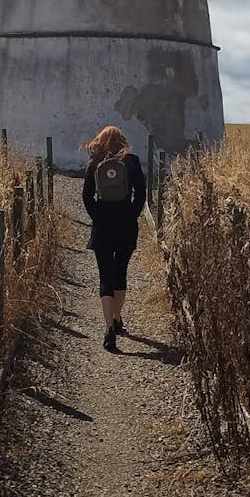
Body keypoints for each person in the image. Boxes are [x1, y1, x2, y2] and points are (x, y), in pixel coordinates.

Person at [81, 125, 146, 352]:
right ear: (123, 141)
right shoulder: (133, 161)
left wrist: (98, 216)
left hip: (103, 226)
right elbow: (142, 195)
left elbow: (87, 196)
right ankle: (118, 318)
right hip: (126, 225)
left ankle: (109, 328)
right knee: (121, 273)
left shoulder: (94, 162)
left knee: (105, 277)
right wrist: (131, 214)